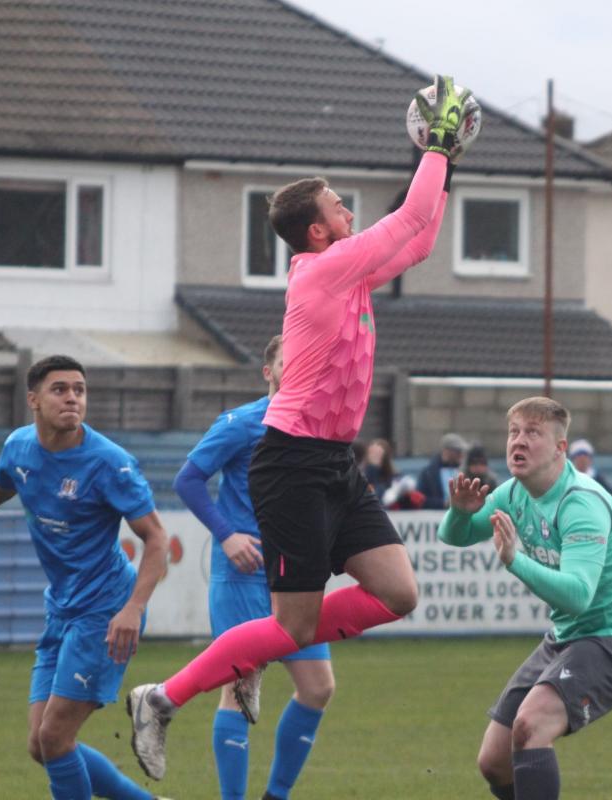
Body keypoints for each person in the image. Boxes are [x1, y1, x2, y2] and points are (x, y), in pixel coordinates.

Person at [128, 75, 475, 782]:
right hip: (289, 463)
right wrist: (436, 147)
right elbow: (409, 218)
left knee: (398, 594)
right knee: (291, 628)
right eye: (339, 205)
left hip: (334, 463)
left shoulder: (348, 272)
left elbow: (419, 241)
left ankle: (251, 650)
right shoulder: (324, 270)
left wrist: (445, 164)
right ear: (318, 230)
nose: (349, 211)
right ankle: (161, 698)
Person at [0, 355, 171, 800]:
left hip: (105, 612)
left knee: (55, 737)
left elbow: (156, 539)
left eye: (79, 389)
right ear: (33, 400)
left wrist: (133, 608)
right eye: (60, 389)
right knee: (42, 744)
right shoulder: (19, 446)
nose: (72, 398)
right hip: (62, 607)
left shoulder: (109, 463)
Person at [439, 397, 612, 800]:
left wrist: (514, 560)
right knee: (494, 761)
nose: (519, 441)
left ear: (560, 447)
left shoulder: (581, 502)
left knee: (531, 725)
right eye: (514, 432)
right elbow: (454, 536)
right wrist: (459, 511)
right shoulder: (513, 493)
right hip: (567, 636)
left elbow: (578, 596)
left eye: (533, 433)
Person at [172, 335, 335, 800]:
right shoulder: (241, 423)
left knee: (318, 687)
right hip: (244, 574)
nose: (298, 368)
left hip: (296, 576)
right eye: (288, 361)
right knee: (240, 689)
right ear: (269, 371)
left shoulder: (318, 428)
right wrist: (227, 534)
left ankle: (275, 795)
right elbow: (188, 479)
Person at [416, 432, 469, 509]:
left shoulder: (465, 471)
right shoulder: (428, 474)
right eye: (458, 451)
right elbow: (420, 499)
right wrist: (443, 504)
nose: (461, 454)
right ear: (447, 451)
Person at [567, 439, 612, 504]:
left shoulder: (598, 479)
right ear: (573, 460)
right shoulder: (568, 478)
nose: (582, 461)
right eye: (579, 457)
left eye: (585, 457)